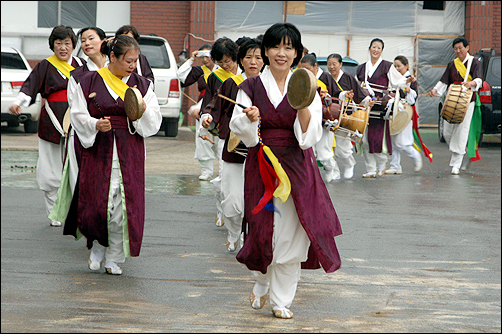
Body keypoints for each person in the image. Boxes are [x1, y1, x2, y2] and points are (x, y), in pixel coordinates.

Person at [229, 22, 342, 319]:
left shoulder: (307, 86)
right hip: (262, 165)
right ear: (265, 51)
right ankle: (262, 280)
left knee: (293, 233)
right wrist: (250, 119)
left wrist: (303, 102)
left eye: (288, 48)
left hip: (297, 166)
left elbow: (309, 136)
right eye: (276, 47)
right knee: (264, 229)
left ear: (297, 53)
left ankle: (281, 299)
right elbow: (238, 127)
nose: (282, 53)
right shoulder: (249, 87)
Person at [63, 35, 162, 275]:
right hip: (100, 148)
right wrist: (94, 124)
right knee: (99, 205)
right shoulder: (88, 81)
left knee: (122, 209)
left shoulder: (142, 85)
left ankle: (114, 257)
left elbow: (154, 120)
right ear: (112, 57)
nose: (132, 66)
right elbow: (77, 114)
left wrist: (142, 109)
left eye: (135, 61)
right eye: (128, 60)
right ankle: (97, 246)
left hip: (130, 149)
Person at [8, 25, 85, 227]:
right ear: (52, 45)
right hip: (51, 122)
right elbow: (29, 87)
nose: (63, 48)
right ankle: (54, 212)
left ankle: (77, 211)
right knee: (50, 169)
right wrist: (19, 103)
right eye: (58, 43)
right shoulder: (45, 66)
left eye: (67, 43)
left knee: (78, 167)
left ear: (72, 45)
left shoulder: (82, 65)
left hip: (78, 124)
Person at [49, 27, 109, 226]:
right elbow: (75, 109)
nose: (86, 43)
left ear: (104, 41)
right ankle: (87, 222)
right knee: (82, 180)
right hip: (84, 134)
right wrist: (93, 124)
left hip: (112, 133)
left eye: (91, 38)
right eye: (83, 40)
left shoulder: (116, 69)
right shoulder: (78, 75)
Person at [209, 37, 264, 252]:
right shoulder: (232, 83)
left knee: (257, 200)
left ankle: (248, 238)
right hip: (234, 149)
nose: (253, 61)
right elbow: (214, 107)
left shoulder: (270, 85)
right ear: (241, 60)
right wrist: (207, 118)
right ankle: (233, 231)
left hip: (263, 151)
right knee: (231, 200)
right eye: (248, 57)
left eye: (258, 57)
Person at [199, 37, 242, 229]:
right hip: (225, 132)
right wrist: (206, 117)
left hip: (247, 132)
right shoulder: (215, 77)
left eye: (228, 61)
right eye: (221, 62)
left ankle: (241, 218)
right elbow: (208, 104)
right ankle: (221, 208)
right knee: (225, 176)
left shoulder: (247, 73)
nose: (225, 65)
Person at [428, 37, 483, 175]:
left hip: (467, 102)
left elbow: (479, 79)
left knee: (461, 131)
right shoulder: (452, 64)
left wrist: (471, 84)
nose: (458, 51)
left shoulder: (474, 62)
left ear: (467, 47)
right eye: (456, 49)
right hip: (452, 101)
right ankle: (463, 151)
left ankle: (456, 164)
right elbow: (444, 80)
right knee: (447, 132)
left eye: (460, 48)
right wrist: (435, 90)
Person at [356, 38, 406, 178]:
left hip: (380, 108)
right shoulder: (361, 68)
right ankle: (370, 168)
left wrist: (407, 82)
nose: (376, 50)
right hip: (366, 107)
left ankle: (382, 164)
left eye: (378, 47)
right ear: (369, 48)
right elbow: (358, 87)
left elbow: (398, 80)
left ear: (382, 50)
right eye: (374, 47)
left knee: (377, 138)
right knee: (365, 140)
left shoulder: (387, 66)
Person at [297, 53, 349, 182]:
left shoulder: (325, 77)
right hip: (307, 120)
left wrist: (343, 95)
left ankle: (331, 168)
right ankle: (311, 178)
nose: (305, 72)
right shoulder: (300, 80)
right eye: (302, 69)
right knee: (309, 152)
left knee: (324, 154)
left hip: (324, 120)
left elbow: (337, 93)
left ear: (315, 66)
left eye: (308, 69)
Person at [177, 43, 220, 182]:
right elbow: (181, 75)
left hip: (220, 107)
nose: (205, 59)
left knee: (221, 139)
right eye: (202, 56)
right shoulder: (199, 70)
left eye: (208, 55)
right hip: (203, 107)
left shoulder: (222, 69)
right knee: (202, 139)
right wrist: (191, 59)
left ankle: (223, 171)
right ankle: (206, 171)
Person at [327, 53, 374, 179]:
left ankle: (349, 164)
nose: (331, 67)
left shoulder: (348, 78)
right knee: (327, 148)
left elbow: (359, 93)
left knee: (342, 148)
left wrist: (367, 101)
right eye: (329, 64)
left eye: (334, 64)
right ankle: (334, 171)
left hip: (346, 116)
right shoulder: (326, 78)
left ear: (340, 64)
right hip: (328, 116)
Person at [385, 55, 423, 175]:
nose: (397, 68)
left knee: (402, 142)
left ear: (406, 66)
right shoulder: (394, 79)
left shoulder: (410, 79)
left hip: (405, 113)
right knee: (393, 140)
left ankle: (416, 156)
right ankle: (395, 165)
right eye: (395, 66)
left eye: (399, 66)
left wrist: (409, 91)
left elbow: (413, 99)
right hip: (394, 112)